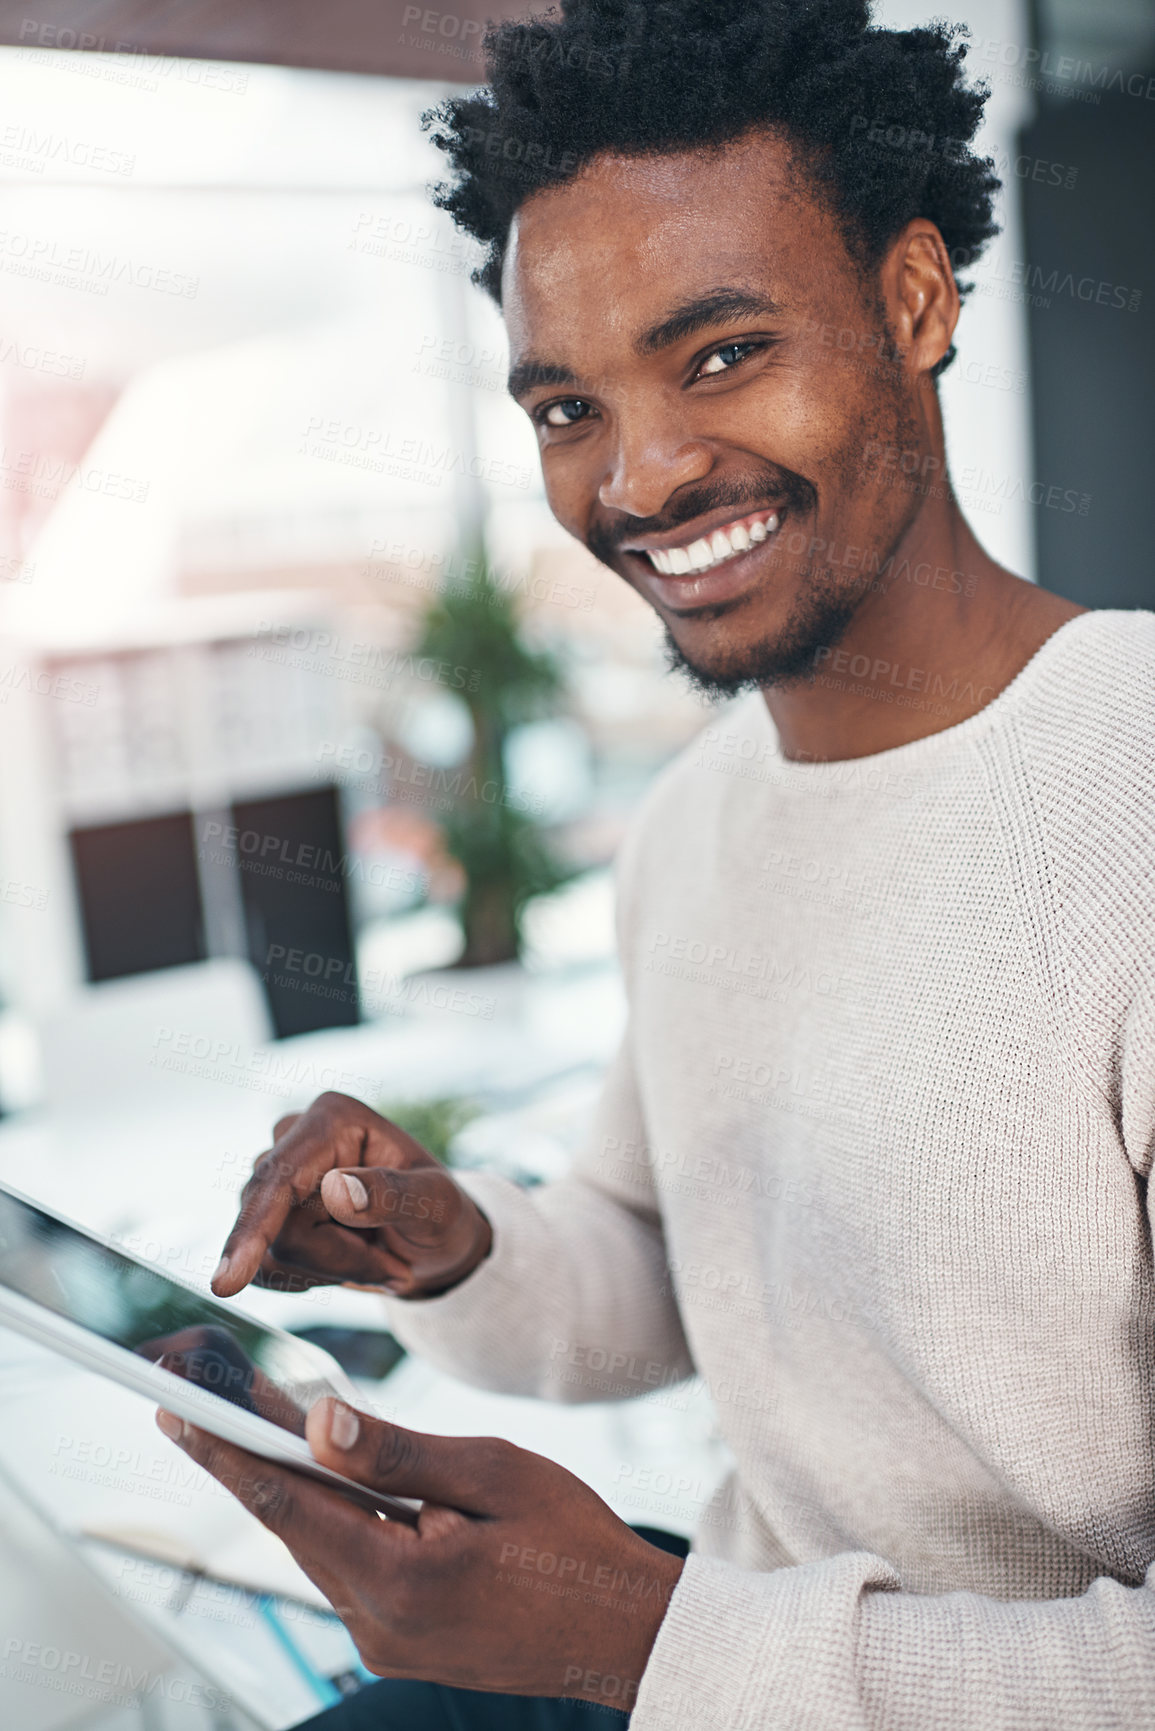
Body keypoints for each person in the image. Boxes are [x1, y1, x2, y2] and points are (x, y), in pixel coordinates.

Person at [157, 1, 1155, 1724]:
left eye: (719, 353)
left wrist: (642, 1639)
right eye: (565, 406)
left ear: (915, 302)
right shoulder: (696, 823)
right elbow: (663, 1264)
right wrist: (452, 1243)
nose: (642, 476)